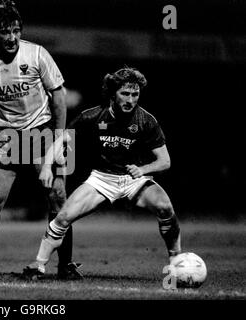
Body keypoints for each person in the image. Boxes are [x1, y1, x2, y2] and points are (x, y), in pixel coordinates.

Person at [0, 0, 82, 279]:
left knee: (59, 198)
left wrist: (61, 136)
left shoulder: (38, 54)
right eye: (5, 31)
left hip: (42, 131)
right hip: (5, 137)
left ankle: (65, 265)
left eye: (16, 30)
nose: (12, 37)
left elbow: (59, 97)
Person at [23, 67, 182, 278]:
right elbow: (61, 139)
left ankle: (176, 262)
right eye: (125, 94)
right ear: (112, 93)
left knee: (165, 207)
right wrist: (46, 167)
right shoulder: (93, 116)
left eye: (135, 95)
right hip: (102, 179)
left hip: (135, 180)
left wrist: (142, 169)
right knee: (62, 218)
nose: (131, 100)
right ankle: (39, 264)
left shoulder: (147, 121)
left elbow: (165, 161)